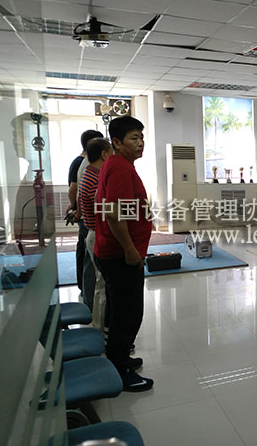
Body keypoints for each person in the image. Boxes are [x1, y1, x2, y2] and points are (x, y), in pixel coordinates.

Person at [94, 116, 154, 391]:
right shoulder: (119, 167)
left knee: (121, 310)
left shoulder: (119, 164)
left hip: (113, 251)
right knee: (128, 314)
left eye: (141, 137)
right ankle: (119, 371)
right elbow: (114, 212)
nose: (140, 143)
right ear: (117, 142)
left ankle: (119, 359)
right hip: (120, 254)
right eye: (134, 138)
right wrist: (130, 249)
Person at [78, 137, 113, 334]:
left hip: (93, 233)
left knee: (101, 283)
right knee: (103, 285)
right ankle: (102, 329)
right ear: (104, 154)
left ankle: (99, 327)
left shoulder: (89, 173)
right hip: (97, 234)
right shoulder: (95, 178)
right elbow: (104, 209)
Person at [68, 129, 103, 309]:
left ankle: (85, 292)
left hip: (85, 217)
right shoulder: (85, 165)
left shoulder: (85, 165)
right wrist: (76, 209)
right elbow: (75, 191)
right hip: (89, 220)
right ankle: (88, 299)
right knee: (90, 260)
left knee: (85, 255)